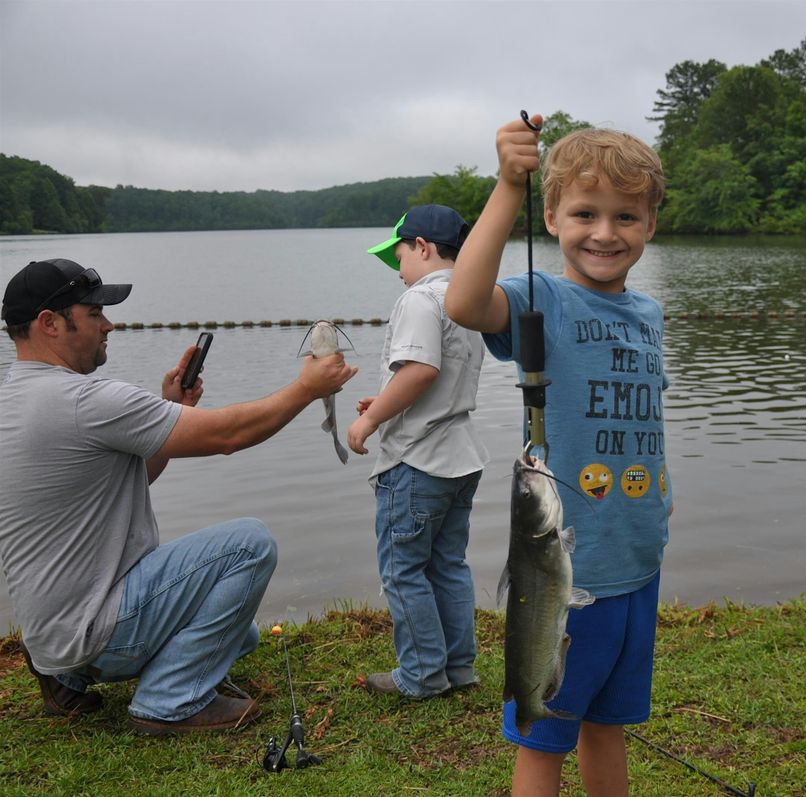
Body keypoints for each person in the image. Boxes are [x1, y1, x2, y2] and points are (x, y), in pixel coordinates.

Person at [0, 258, 357, 735]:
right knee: (248, 544)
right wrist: (306, 388)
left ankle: (64, 678)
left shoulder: (16, 397)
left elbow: (115, 484)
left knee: (242, 634)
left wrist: (170, 410)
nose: (109, 325)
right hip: (92, 629)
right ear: (49, 322)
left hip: (53, 630)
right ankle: (169, 702)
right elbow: (230, 434)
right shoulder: (85, 401)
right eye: (93, 314)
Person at [445, 116, 671, 797]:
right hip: (560, 575)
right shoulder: (541, 298)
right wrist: (509, 185)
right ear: (551, 216)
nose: (605, 232)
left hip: (637, 559)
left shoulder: (650, 314)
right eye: (584, 213)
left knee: (610, 723)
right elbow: (462, 300)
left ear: (651, 225)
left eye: (626, 215)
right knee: (544, 737)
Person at [347, 205, 489, 699]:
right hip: (460, 454)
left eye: (400, 256)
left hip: (417, 460)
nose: (398, 269)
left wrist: (369, 419)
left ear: (424, 248)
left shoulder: (419, 298)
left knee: (403, 570)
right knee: (448, 563)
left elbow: (420, 371)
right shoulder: (471, 300)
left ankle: (423, 676)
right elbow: (437, 379)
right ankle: (459, 668)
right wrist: (384, 404)